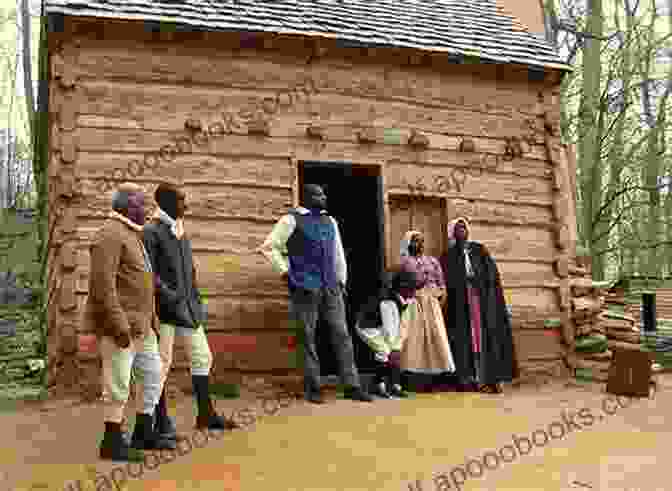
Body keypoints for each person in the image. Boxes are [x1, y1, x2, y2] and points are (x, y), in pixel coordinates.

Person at [84, 182, 175, 462]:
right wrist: (119, 325)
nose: (147, 208)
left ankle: (143, 432)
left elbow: (141, 281)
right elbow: (103, 286)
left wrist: (151, 322)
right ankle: (111, 442)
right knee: (118, 383)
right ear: (126, 206)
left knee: (153, 376)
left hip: (142, 327)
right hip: (120, 328)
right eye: (141, 203)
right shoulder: (109, 235)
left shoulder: (130, 234)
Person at [259, 183, 372, 404]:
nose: (323, 197)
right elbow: (268, 247)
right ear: (307, 197)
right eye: (318, 194)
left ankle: (351, 385)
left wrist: (342, 280)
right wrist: (285, 273)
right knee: (307, 335)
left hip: (331, 286)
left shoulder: (330, 221)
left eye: (323, 194)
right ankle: (314, 387)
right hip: (304, 285)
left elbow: (338, 253)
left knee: (341, 333)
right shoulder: (290, 219)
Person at [143, 182, 236, 433]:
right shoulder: (151, 231)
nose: (187, 205)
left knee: (202, 356)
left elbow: (189, 270)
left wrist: (194, 297)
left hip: (188, 308)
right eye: (182, 200)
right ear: (167, 204)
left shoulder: (180, 231)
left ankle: (205, 415)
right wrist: (168, 295)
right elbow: (148, 272)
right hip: (163, 310)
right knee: (162, 364)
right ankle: (159, 421)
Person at [439, 217, 518, 394]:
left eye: (464, 227)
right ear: (452, 232)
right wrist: (462, 283)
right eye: (458, 228)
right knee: (466, 341)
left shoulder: (479, 250)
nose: (462, 231)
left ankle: (490, 378)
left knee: (485, 339)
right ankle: (470, 379)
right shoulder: (448, 256)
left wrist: (480, 282)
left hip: (481, 302)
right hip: (461, 305)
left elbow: (491, 273)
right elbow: (446, 280)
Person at [398, 231, 456, 392]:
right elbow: (403, 284)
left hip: (431, 303)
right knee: (415, 340)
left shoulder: (432, 261)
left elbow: (441, 282)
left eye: (422, 241)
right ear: (409, 244)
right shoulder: (404, 262)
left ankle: (434, 378)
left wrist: (441, 296)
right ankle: (413, 377)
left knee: (434, 337)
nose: (420, 244)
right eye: (416, 241)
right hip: (414, 302)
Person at [354, 269, 420, 398]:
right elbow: (389, 328)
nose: (414, 291)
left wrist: (398, 346)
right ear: (402, 287)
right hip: (368, 327)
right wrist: (392, 349)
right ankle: (378, 385)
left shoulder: (409, 301)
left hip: (385, 327)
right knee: (384, 350)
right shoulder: (388, 301)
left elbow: (405, 326)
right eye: (412, 288)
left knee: (396, 350)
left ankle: (395, 386)